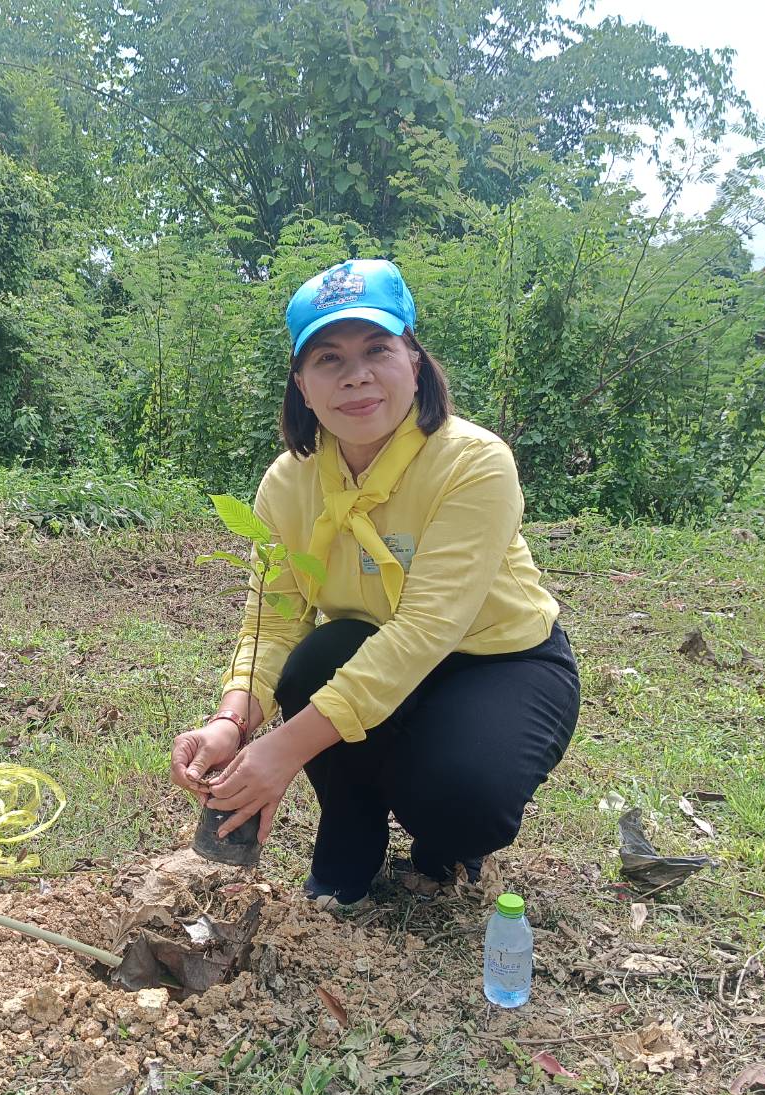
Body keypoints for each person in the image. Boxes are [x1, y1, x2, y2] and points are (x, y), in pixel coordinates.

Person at [168, 258, 581, 910]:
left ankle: (441, 846)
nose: (355, 374)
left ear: (413, 362)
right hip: (372, 650)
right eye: (328, 358)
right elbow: (273, 620)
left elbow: (424, 630)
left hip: (499, 661)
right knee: (316, 659)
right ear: (301, 385)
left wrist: (280, 750)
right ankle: (348, 831)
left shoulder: (472, 463)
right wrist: (232, 721)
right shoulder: (288, 483)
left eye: (376, 350)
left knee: (467, 799)